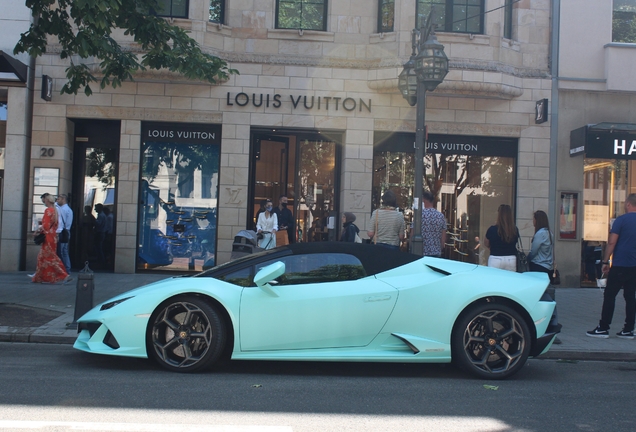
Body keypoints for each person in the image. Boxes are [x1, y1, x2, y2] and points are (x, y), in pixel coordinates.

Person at [587, 193, 636, 339]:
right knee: (630, 297)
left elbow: (612, 242)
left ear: (628, 204)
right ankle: (628, 329)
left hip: (621, 263)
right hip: (634, 265)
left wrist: (605, 261)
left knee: (609, 296)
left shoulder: (621, 220)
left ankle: (603, 328)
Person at [31, 194, 71, 284]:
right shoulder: (55, 211)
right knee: (42, 257)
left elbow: (46, 225)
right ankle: (39, 277)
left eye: (44, 200)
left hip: (48, 236)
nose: (44, 202)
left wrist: (37, 231)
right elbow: (54, 224)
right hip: (53, 236)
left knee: (50, 257)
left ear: (47, 200)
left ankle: (64, 275)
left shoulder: (48, 210)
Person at [484, 204, 519, 271]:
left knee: (494, 280)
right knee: (510, 280)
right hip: (511, 258)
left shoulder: (492, 229)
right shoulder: (514, 229)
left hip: (495, 258)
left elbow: (486, 243)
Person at [527, 210, 554, 280]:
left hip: (539, 265)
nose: (533, 221)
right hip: (548, 266)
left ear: (537, 220)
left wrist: (527, 259)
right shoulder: (549, 233)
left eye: (534, 219)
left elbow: (534, 251)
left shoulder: (540, 234)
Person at [421, 191, 447, 257]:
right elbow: (443, 236)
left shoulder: (420, 215)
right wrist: (440, 247)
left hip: (422, 252)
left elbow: (413, 233)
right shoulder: (440, 216)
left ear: (424, 200)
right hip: (436, 252)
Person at [55, 194, 73, 274]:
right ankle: (67, 268)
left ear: (63, 199)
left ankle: (64, 268)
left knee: (61, 251)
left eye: (58, 199)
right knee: (64, 251)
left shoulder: (63, 209)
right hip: (66, 231)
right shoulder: (68, 209)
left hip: (63, 231)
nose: (57, 200)